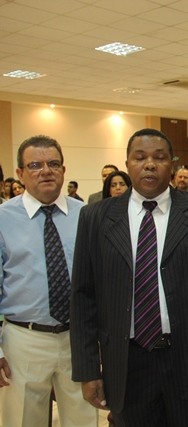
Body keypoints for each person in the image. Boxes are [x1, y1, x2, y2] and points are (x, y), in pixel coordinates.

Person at [70, 128, 188, 426]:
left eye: (159, 157)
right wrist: (88, 370)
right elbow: (83, 297)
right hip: (126, 361)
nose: (149, 165)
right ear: (127, 164)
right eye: (140, 158)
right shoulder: (96, 217)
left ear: (171, 165)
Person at [0, 135, 98, 426]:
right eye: (35, 165)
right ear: (20, 174)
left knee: (84, 419)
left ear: (64, 170)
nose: (46, 171)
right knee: (22, 420)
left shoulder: (86, 215)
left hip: (77, 338)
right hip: (24, 339)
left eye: (53, 164)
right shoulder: (3, 218)